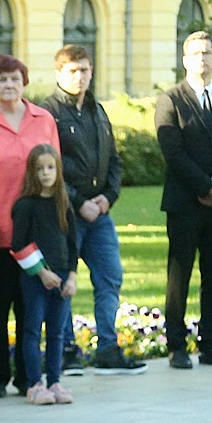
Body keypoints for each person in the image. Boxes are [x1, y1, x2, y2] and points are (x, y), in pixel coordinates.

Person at [42, 44, 144, 373]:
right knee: (62, 283)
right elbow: (46, 166)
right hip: (65, 213)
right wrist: (78, 200)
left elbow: (113, 160)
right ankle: (66, 349)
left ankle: (108, 349)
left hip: (100, 215)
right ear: (59, 73)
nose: (80, 76)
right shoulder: (48, 113)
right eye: (73, 70)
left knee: (110, 278)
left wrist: (106, 198)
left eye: (85, 69)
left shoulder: (98, 111)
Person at [154, 30, 212, 369]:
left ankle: (211, 344)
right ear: (184, 61)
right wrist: (205, 187)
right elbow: (173, 152)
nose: (202, 59)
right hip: (185, 202)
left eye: (207, 53)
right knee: (180, 276)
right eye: (195, 54)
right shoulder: (171, 99)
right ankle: (176, 345)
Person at [0, 53, 57, 395]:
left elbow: (56, 173)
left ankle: (30, 378)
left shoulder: (44, 119)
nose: (8, 85)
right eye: (1, 79)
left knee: (31, 310)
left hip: (37, 236)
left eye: (14, 79)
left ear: (24, 83)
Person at [11, 144, 76, 403]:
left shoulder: (63, 203)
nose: (46, 173)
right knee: (32, 329)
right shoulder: (25, 206)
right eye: (40, 169)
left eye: (50, 167)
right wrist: (41, 273)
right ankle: (35, 383)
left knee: (57, 332)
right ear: (32, 172)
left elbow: (73, 243)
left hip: (61, 277)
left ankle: (55, 381)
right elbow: (18, 245)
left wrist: (71, 275)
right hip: (35, 278)